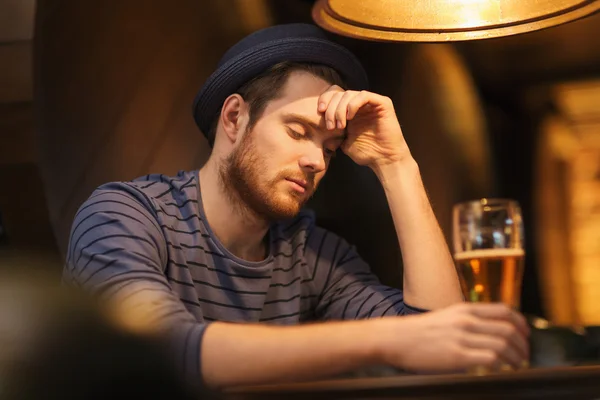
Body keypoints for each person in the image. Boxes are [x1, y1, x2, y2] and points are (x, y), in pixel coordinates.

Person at [63, 23, 530, 389]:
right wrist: (393, 340)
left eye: (329, 147)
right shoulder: (124, 215)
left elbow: (443, 344)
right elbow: (163, 352)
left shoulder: (314, 255)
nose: (315, 161)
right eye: (297, 131)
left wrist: (397, 166)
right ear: (234, 118)